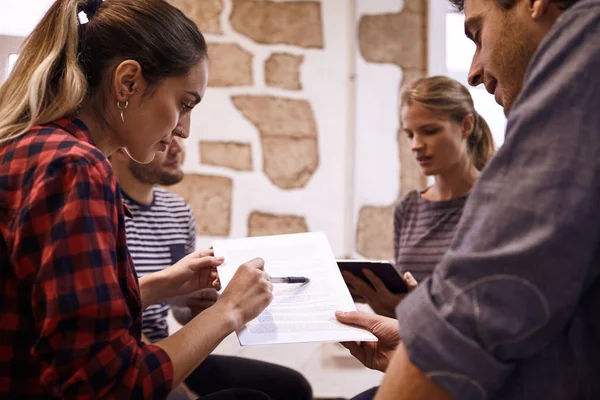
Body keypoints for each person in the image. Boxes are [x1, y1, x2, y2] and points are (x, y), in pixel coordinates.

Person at [0, 0, 273, 398]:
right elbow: (110, 385)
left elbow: (49, 312)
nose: (185, 131)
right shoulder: (76, 168)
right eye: (184, 104)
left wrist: (162, 284)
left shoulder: (23, 148)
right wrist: (229, 311)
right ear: (128, 82)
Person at [337, 0, 600, 399]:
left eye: (477, 35)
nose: (474, 71)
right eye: (410, 134)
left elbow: (473, 319)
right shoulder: (411, 206)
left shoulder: (587, 44)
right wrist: (410, 329)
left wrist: (424, 342)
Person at [111, 135, 313, 400]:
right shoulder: (108, 210)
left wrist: (196, 305)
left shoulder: (177, 211)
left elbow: (176, 306)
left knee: (293, 387)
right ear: (121, 149)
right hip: (127, 351)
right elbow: (112, 314)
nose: (176, 149)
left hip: (165, 344)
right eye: (165, 138)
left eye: (179, 137)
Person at [344, 76, 495, 318]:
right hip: (415, 348)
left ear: (466, 125)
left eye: (429, 131)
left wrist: (410, 311)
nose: (416, 144)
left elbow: (496, 304)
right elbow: (404, 301)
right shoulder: (410, 208)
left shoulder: (496, 202)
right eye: (410, 134)